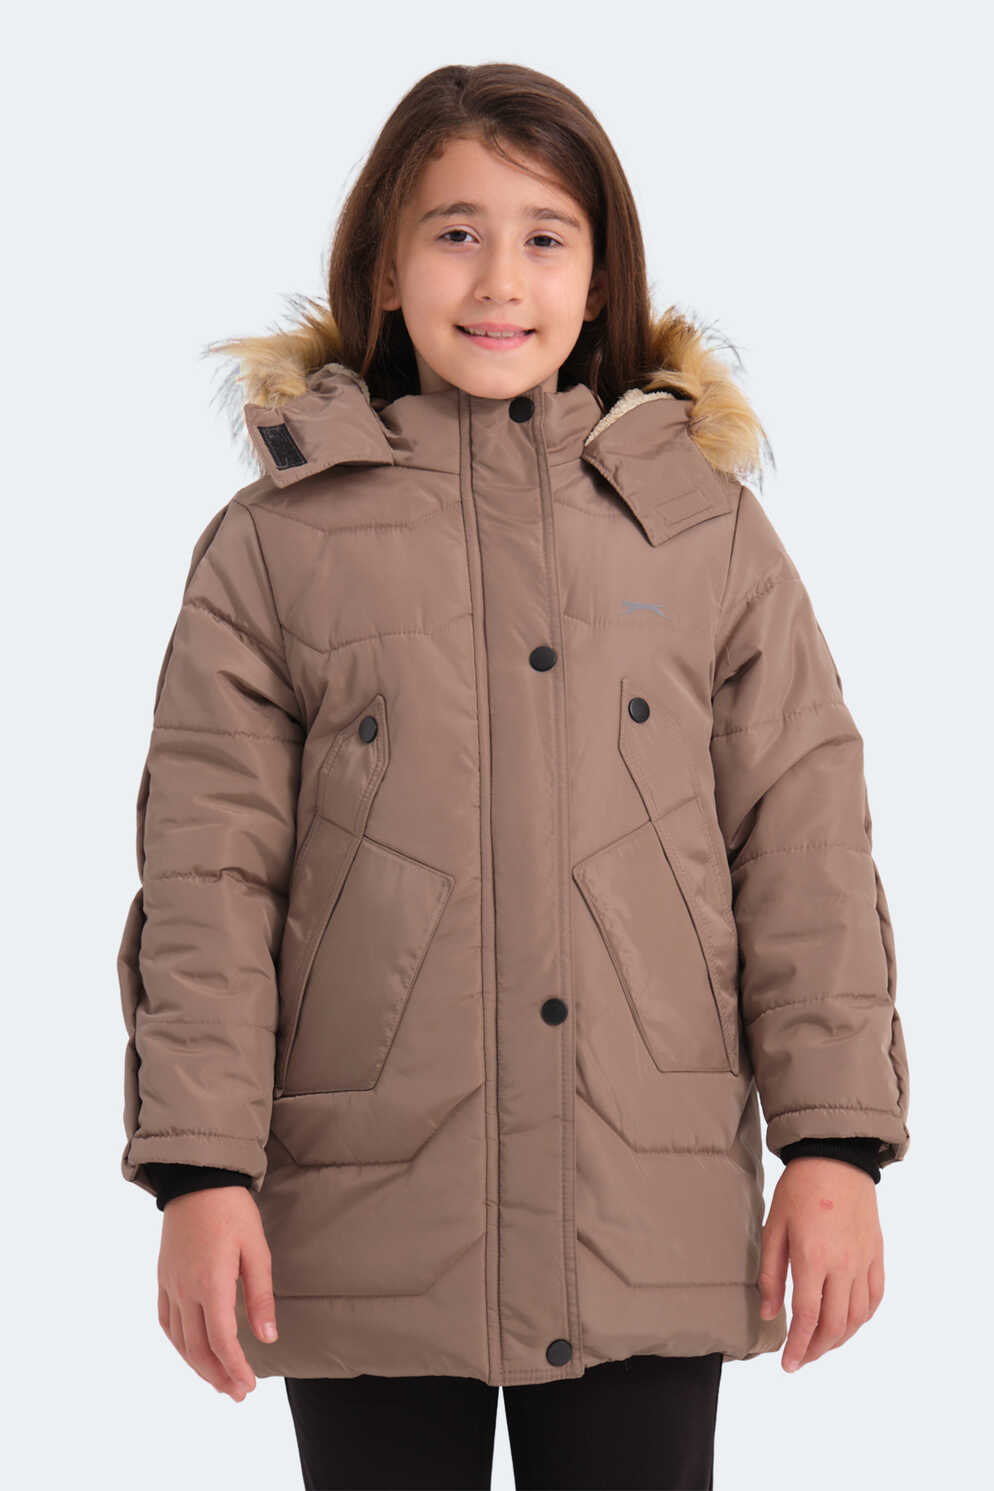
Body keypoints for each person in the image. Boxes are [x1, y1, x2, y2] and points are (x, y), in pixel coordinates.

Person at [117, 61, 911, 1490]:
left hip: (640, 1201)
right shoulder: (277, 544)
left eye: (545, 236)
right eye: (454, 233)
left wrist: (834, 1143)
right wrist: (199, 1169)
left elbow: (802, 848)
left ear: (599, 277)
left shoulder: (703, 536)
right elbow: (208, 878)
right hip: (363, 1212)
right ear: (385, 267)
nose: (499, 279)